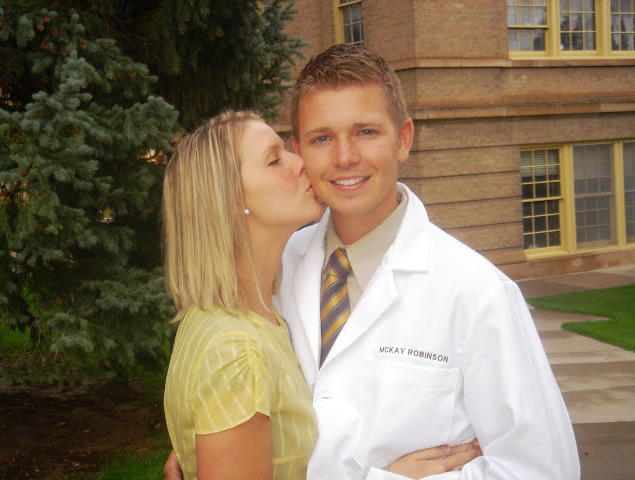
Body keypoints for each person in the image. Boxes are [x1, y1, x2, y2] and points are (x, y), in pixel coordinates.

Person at [167, 44, 580, 479]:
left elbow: (544, 469)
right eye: (322, 138)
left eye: (365, 132)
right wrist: (217, 442)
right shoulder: (274, 269)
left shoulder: (477, 293)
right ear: (300, 150)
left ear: (403, 139)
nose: (345, 157)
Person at [161, 110, 322, 479]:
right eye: (274, 159)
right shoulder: (235, 352)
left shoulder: (248, 315)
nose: (301, 163)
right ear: (231, 198)